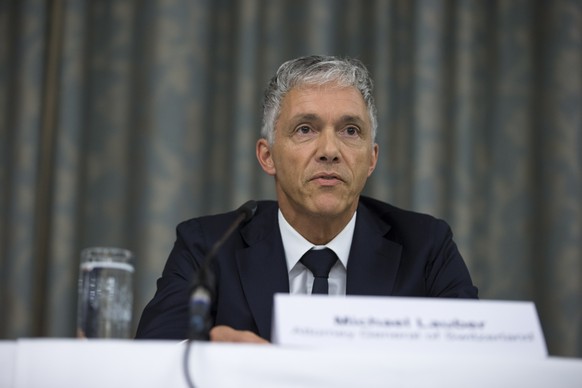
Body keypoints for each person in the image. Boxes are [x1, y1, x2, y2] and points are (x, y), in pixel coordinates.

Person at [135, 55, 478, 343]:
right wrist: (221, 363)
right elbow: (153, 357)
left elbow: (475, 364)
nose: (330, 151)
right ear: (267, 156)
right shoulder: (207, 247)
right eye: (305, 129)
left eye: (350, 131)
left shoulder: (426, 248)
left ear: (371, 158)